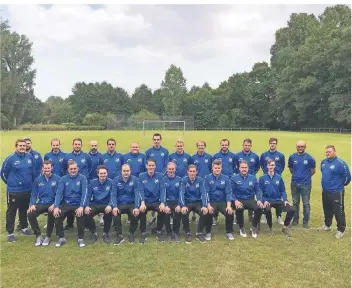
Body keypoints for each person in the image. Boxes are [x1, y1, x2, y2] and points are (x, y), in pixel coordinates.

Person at [1, 139, 37, 242]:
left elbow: (32, 172)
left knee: (24, 209)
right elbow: (3, 173)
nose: (22, 147)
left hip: (27, 190)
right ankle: (10, 233)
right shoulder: (10, 158)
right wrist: (11, 183)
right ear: (16, 146)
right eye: (20, 145)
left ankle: (24, 228)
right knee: (11, 211)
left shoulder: (30, 157)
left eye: (24, 146)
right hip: (14, 191)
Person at [53, 160, 88, 248]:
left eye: (75, 169)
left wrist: (81, 206)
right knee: (57, 215)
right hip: (66, 204)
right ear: (68, 170)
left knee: (80, 215)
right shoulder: (63, 179)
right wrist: (56, 206)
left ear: (78, 169)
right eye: (71, 169)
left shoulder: (82, 178)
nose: (73, 170)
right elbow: (59, 193)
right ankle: (61, 238)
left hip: (77, 204)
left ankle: (80, 238)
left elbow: (85, 193)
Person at [319, 145, 351, 239]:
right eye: (326, 152)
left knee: (338, 211)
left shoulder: (340, 163)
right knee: (327, 210)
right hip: (325, 191)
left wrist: (340, 186)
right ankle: (327, 225)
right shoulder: (323, 162)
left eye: (329, 151)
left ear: (334, 151)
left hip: (336, 192)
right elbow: (324, 173)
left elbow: (348, 177)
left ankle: (341, 230)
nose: (328, 153)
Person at [27, 160, 60, 246]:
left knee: (51, 212)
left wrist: (55, 205)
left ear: (51, 168)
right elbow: (34, 194)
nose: (47, 170)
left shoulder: (57, 179)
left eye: (48, 168)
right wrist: (32, 204)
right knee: (30, 213)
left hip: (52, 203)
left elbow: (60, 194)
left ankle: (48, 236)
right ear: (42, 169)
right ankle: (38, 235)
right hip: (41, 203)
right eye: (45, 168)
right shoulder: (37, 180)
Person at [258, 159, 294, 237]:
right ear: (267, 166)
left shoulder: (279, 178)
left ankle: (285, 226)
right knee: (267, 210)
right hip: (268, 201)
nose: (271, 167)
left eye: (272, 165)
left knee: (291, 209)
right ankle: (270, 228)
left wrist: (285, 200)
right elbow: (259, 192)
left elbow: (283, 190)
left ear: (275, 166)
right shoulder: (262, 178)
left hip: (278, 200)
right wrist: (264, 201)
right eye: (270, 165)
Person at [63, 138, 92, 229]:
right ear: (73, 145)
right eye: (75, 144)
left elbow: (90, 168)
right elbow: (64, 168)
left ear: (81, 145)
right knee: (71, 199)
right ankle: (70, 223)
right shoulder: (67, 157)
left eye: (79, 144)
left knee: (84, 200)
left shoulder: (86, 156)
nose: (77, 146)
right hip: (71, 182)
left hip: (83, 182)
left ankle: (86, 224)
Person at [111, 164, 142, 244]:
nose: (126, 173)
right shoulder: (115, 180)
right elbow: (113, 194)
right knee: (115, 214)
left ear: (130, 171)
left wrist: (136, 207)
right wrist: (114, 206)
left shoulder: (135, 180)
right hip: (119, 204)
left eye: (127, 171)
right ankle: (119, 236)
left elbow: (137, 194)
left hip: (131, 204)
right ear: (121, 171)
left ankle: (131, 233)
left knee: (136, 214)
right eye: (124, 171)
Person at [231, 161, 263, 239]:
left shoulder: (253, 178)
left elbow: (258, 190)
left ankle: (254, 227)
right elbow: (230, 192)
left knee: (259, 208)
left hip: (249, 199)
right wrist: (235, 201)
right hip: (238, 200)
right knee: (239, 208)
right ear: (239, 168)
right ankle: (241, 228)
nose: (244, 169)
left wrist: (259, 199)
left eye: (245, 167)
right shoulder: (234, 178)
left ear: (248, 168)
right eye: (242, 167)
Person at [204, 160, 234, 241]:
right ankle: (208, 232)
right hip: (212, 201)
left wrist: (228, 206)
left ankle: (229, 232)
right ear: (212, 168)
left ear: (221, 168)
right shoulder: (207, 178)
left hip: (222, 202)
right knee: (208, 212)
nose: (217, 169)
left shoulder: (226, 178)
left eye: (219, 168)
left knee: (229, 212)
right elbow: (206, 193)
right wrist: (208, 205)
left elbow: (228, 193)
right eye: (215, 168)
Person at [288, 140, 316, 228]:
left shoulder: (310, 158)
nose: (300, 148)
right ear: (296, 147)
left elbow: (313, 171)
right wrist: (297, 176)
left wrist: (305, 177)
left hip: (306, 184)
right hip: (294, 183)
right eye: (298, 146)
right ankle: (295, 220)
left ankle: (305, 221)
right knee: (295, 202)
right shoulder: (292, 157)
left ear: (305, 147)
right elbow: (291, 169)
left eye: (302, 146)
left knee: (306, 203)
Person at [138, 159, 166, 243]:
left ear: (155, 166)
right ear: (146, 166)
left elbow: (162, 189)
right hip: (146, 201)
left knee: (162, 210)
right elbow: (140, 190)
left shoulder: (160, 176)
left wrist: (162, 202)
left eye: (152, 165)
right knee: (142, 211)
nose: (151, 167)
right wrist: (142, 202)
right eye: (149, 165)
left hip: (156, 201)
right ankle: (143, 232)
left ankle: (159, 231)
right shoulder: (141, 176)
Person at [180, 164, 209, 243]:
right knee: (184, 212)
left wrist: (204, 206)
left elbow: (203, 193)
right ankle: (187, 233)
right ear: (187, 172)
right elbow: (181, 193)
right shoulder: (184, 180)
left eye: (194, 171)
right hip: (188, 202)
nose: (192, 173)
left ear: (196, 172)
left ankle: (199, 233)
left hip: (197, 202)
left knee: (204, 212)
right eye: (190, 171)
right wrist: (183, 206)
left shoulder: (200, 180)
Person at [84, 166, 114, 244]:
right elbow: (87, 196)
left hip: (106, 204)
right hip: (95, 204)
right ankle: (94, 233)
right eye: (101, 173)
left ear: (107, 174)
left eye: (104, 173)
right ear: (97, 174)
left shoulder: (111, 182)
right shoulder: (92, 182)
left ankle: (105, 233)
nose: (103, 175)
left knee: (109, 212)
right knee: (87, 213)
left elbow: (113, 196)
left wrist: (110, 205)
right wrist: (87, 206)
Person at [260, 137, 286, 225]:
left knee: (277, 196)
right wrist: (266, 173)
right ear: (269, 144)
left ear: (276, 144)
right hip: (266, 177)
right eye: (271, 143)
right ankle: (264, 215)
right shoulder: (264, 155)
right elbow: (262, 165)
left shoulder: (281, 155)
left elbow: (282, 166)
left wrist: (277, 174)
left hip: (277, 179)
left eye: (274, 143)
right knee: (265, 194)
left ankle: (279, 216)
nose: (272, 144)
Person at [145, 133, 169, 225]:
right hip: (151, 177)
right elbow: (146, 164)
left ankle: (162, 216)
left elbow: (166, 165)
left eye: (158, 139)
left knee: (161, 195)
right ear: (152, 140)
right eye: (154, 139)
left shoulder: (165, 151)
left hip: (161, 177)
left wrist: (161, 175)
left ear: (160, 140)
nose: (156, 141)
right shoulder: (148, 151)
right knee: (152, 194)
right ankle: (153, 216)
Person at [212, 139, 236, 225]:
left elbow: (235, 167)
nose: (224, 146)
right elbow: (213, 168)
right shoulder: (216, 156)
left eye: (226, 145)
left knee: (230, 195)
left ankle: (232, 214)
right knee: (217, 196)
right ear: (220, 145)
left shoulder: (233, 156)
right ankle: (215, 216)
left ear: (228, 145)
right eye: (223, 145)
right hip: (218, 180)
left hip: (229, 180)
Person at [235, 138, 260, 222]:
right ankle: (237, 216)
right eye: (245, 145)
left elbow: (257, 167)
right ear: (243, 145)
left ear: (251, 146)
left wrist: (251, 174)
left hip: (251, 180)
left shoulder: (255, 156)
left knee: (251, 197)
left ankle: (251, 214)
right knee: (239, 196)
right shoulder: (237, 156)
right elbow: (235, 166)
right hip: (240, 178)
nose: (247, 146)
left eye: (248, 145)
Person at [160, 162, 183, 242]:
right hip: (167, 202)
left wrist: (180, 204)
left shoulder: (180, 180)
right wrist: (165, 205)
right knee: (166, 213)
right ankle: (169, 233)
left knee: (178, 213)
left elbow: (181, 193)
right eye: (169, 169)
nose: (171, 170)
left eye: (172, 169)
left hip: (177, 202)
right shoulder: (163, 180)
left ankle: (175, 232)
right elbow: (162, 193)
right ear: (166, 170)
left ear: (175, 170)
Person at [191, 140, 212, 223]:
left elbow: (212, 168)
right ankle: (193, 215)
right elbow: (191, 169)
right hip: (196, 181)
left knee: (207, 196)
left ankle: (210, 214)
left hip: (206, 181)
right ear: (197, 147)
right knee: (195, 196)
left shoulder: (209, 157)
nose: (201, 147)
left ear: (204, 146)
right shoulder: (193, 158)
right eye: (199, 145)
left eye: (202, 145)